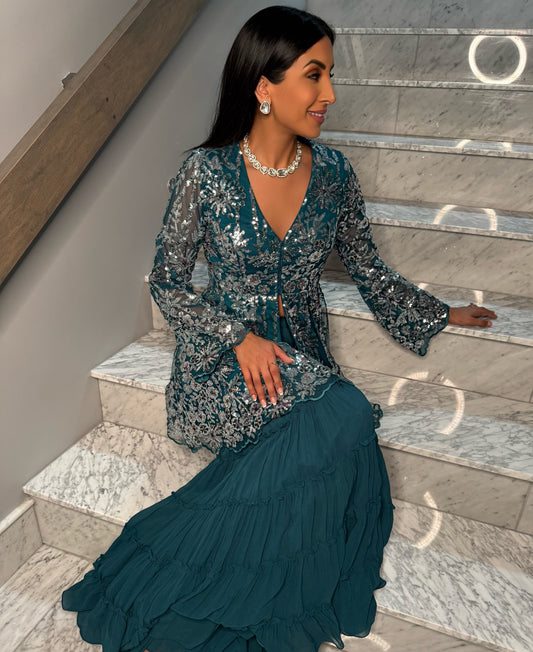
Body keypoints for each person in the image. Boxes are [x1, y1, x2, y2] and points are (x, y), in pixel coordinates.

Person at [61, 6, 497, 651]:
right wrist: (237, 337)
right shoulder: (205, 173)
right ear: (264, 86)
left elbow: (366, 266)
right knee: (336, 419)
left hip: (300, 353)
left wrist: (438, 312)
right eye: (314, 75)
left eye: (330, 75)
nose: (330, 94)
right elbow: (167, 283)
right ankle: (201, 574)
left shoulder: (335, 174)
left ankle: (268, 566)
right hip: (224, 357)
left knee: (340, 417)